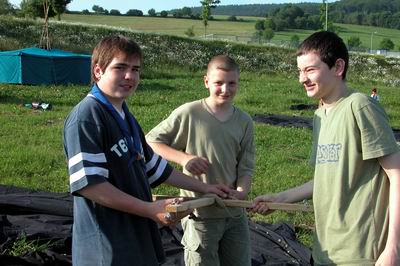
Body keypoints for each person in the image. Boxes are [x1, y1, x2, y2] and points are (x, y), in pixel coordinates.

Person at [63, 35, 230, 266]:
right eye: (120, 68)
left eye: (135, 69)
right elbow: (91, 186)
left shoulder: (126, 117)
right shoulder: (87, 118)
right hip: (107, 246)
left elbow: (156, 169)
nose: (130, 76)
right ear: (98, 71)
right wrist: (150, 209)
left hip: (135, 237)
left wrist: (206, 188)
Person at [252, 31, 400, 265]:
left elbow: (397, 175)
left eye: (310, 70)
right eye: (300, 71)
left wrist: (393, 247)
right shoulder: (320, 115)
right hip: (325, 249)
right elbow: (326, 178)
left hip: (360, 253)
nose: (302, 78)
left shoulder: (360, 107)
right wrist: (279, 198)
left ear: (338, 67)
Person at [146, 55, 255, 266]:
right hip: (199, 212)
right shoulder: (190, 113)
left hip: (234, 213)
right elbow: (150, 142)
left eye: (232, 83)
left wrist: (241, 192)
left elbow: (246, 167)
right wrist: (184, 158)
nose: (225, 89)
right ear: (206, 82)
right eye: (219, 83)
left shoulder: (244, 121)